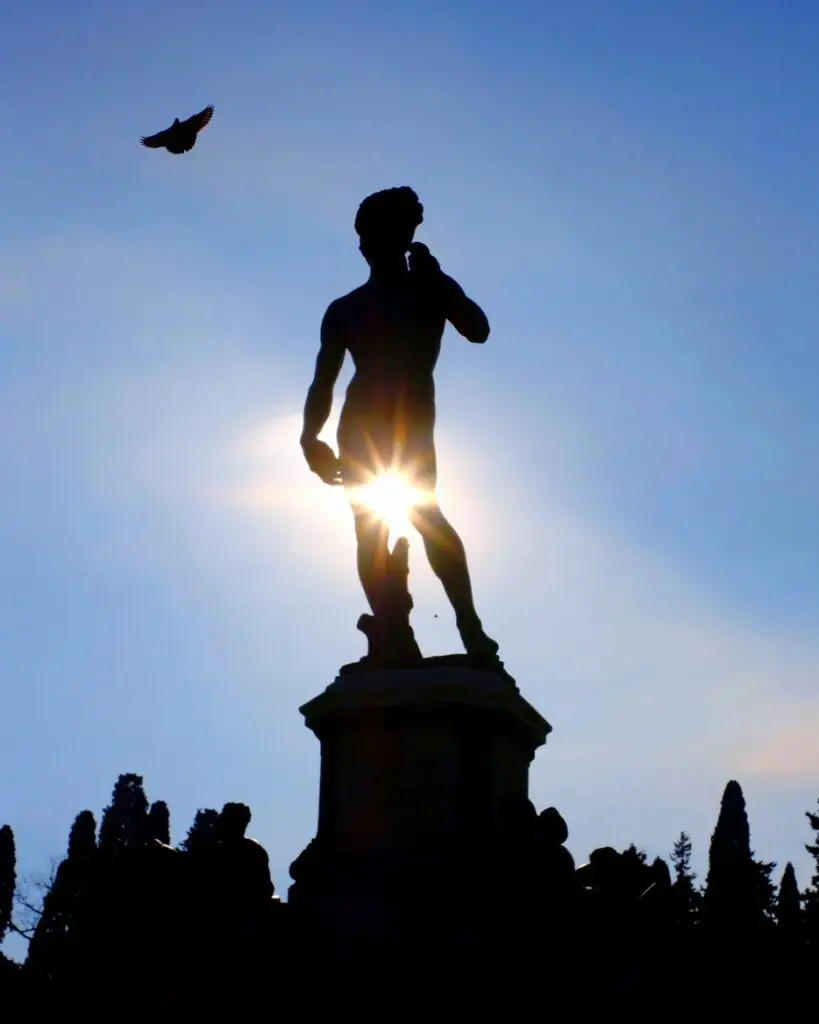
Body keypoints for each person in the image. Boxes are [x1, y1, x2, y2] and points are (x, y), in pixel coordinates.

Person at [300, 186, 498, 660]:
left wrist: (442, 281)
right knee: (369, 529)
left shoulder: (429, 288)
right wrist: (310, 438)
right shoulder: (346, 308)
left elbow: (478, 329)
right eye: (365, 235)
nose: (368, 243)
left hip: (410, 425)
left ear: (404, 234)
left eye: (379, 232)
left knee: (427, 517)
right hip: (360, 426)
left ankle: (468, 624)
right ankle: (392, 629)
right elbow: (322, 383)